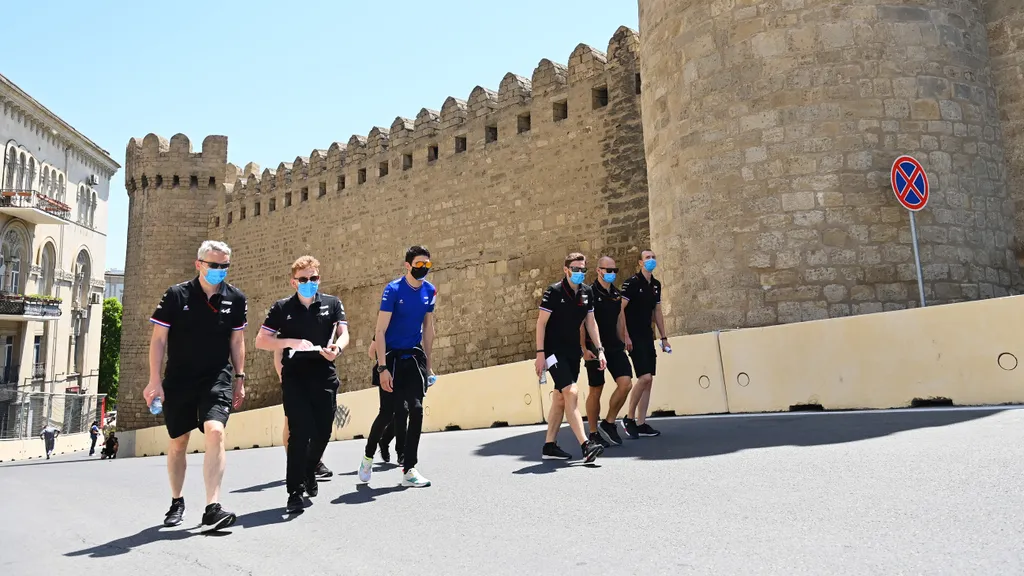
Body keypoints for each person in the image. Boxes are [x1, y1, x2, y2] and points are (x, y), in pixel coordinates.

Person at [143, 240, 248, 532]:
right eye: (213, 265)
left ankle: (212, 507)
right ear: (198, 264)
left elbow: (237, 341)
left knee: (215, 431)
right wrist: (154, 380)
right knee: (179, 442)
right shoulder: (176, 295)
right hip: (179, 378)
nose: (219, 271)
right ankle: (177, 501)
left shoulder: (236, 299)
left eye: (224, 266)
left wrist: (240, 377)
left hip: (217, 376)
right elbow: (159, 339)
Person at [255, 255, 349, 514]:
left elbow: (344, 333)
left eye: (313, 278)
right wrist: (289, 343)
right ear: (294, 282)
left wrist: (337, 349)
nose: (309, 283)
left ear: (319, 278)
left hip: (324, 373)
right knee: (299, 432)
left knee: (324, 431)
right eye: (304, 279)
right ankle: (294, 491)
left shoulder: (332, 303)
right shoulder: (281, 307)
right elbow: (261, 341)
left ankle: (309, 469)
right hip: (295, 376)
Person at [358, 245, 436, 488]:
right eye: (419, 264)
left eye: (427, 265)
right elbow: (380, 330)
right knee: (388, 412)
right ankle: (368, 456)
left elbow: (429, 329)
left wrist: (429, 366)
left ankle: (409, 468)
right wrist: (382, 368)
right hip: (390, 357)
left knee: (417, 409)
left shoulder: (430, 291)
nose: (422, 268)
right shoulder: (392, 290)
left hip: (413, 357)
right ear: (407, 265)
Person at [535, 252, 607, 462]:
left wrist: (600, 349)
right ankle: (586, 445)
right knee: (571, 391)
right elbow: (541, 323)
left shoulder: (587, 293)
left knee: (560, 398)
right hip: (552, 352)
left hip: (572, 352)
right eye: (575, 269)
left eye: (583, 270)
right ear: (566, 270)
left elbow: (591, 323)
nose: (579, 273)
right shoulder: (554, 291)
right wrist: (540, 355)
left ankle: (549, 446)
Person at [581, 256, 632, 447]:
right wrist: (584, 348)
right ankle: (593, 432)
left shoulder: (617, 294)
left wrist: (625, 337)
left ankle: (609, 423)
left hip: (614, 346)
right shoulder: (589, 292)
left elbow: (620, 317)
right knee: (596, 388)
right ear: (598, 270)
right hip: (594, 347)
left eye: (614, 271)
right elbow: (582, 322)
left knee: (626, 383)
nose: (611, 274)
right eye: (608, 270)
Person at [620, 249, 670, 439]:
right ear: (640, 263)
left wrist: (664, 337)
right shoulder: (631, 283)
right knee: (645, 377)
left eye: (653, 257)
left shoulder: (655, 285)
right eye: (647, 258)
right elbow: (621, 309)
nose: (651, 260)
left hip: (648, 336)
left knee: (649, 381)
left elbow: (657, 311)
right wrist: (625, 335)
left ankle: (641, 423)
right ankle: (629, 418)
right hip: (634, 336)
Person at [277, 348, 334, 479]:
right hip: (293, 378)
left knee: (319, 424)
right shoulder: (286, 329)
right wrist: (285, 379)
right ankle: (295, 462)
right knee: (292, 424)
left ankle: (315, 462)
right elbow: (278, 354)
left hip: (318, 376)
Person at [368, 337, 406, 465]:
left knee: (403, 410)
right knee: (387, 413)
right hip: (387, 372)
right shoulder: (382, 329)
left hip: (404, 370)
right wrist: (383, 361)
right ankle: (371, 450)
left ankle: (401, 452)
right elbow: (371, 352)